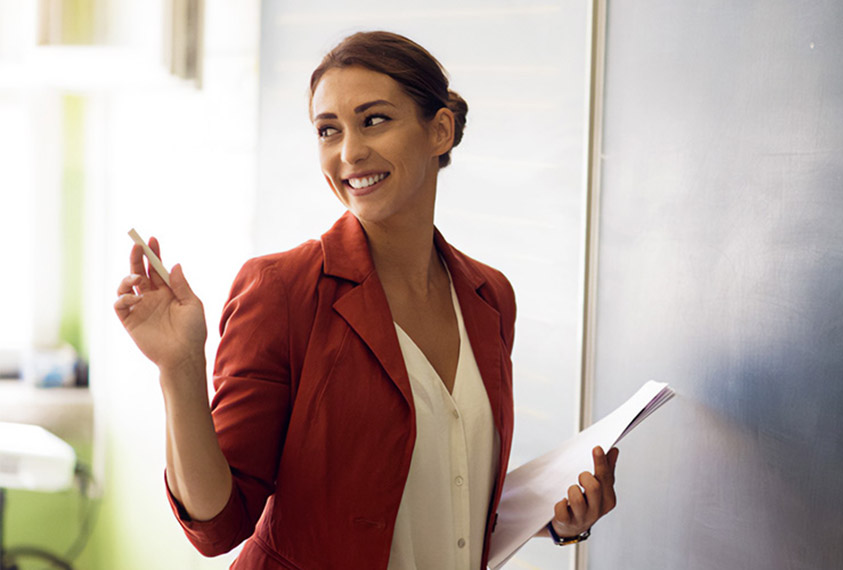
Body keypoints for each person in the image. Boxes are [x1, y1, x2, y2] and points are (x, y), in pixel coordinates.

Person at [113, 30, 618, 569]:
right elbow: (218, 525)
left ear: (439, 131)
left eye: (374, 120)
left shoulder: (489, 297)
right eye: (328, 130)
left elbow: (439, 492)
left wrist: (555, 516)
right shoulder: (281, 291)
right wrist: (180, 367)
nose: (349, 152)